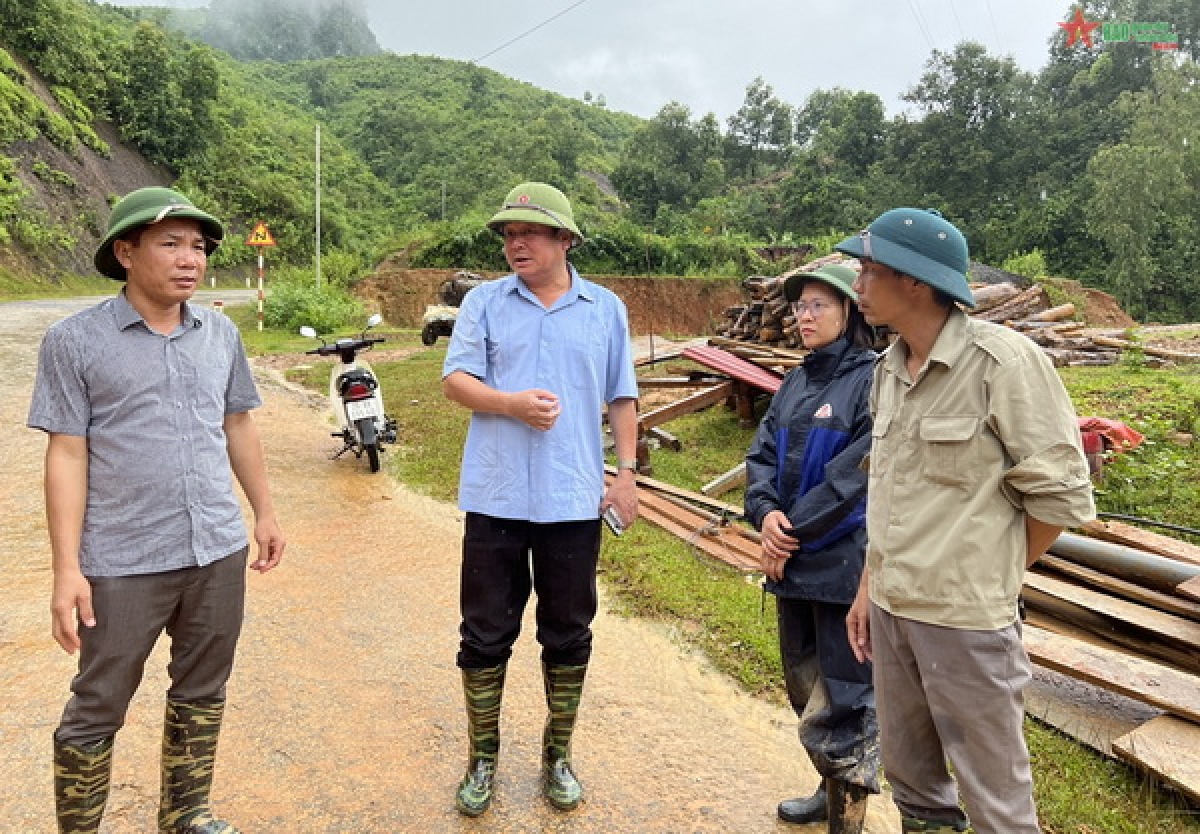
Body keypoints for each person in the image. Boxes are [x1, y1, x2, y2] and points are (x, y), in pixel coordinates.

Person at [28, 186, 286, 834]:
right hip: (122, 560)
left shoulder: (220, 332)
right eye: (170, 243)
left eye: (197, 246)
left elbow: (238, 425)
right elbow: (67, 454)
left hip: (215, 549)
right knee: (98, 703)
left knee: (202, 689)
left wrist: (264, 513)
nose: (189, 259)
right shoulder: (75, 341)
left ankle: (186, 812)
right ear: (126, 251)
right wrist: (67, 570)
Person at [839, 209, 1095, 834]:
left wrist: (988, 574)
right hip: (895, 612)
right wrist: (868, 591)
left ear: (918, 282)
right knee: (913, 781)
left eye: (871, 270)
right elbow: (888, 493)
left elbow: (1058, 499)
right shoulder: (888, 371)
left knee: (996, 801)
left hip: (967, 624)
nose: (859, 283)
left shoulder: (1003, 363)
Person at [441, 181, 639, 817]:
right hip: (496, 496)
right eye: (507, 234)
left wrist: (627, 473)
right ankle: (483, 757)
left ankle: (557, 754)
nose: (514, 243)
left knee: (568, 629)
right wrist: (510, 404)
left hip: (574, 502)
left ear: (565, 239)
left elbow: (622, 397)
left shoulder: (605, 308)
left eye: (528, 232)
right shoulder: (485, 304)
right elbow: (455, 381)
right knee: (484, 632)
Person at [745, 264, 880, 833]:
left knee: (846, 698)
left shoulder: (873, 382)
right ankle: (828, 790)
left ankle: (845, 820)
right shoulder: (795, 381)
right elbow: (762, 458)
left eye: (819, 305)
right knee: (804, 686)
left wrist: (787, 531)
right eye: (800, 307)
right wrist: (765, 513)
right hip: (792, 562)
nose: (803, 315)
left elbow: (855, 479)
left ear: (849, 313)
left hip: (842, 566)